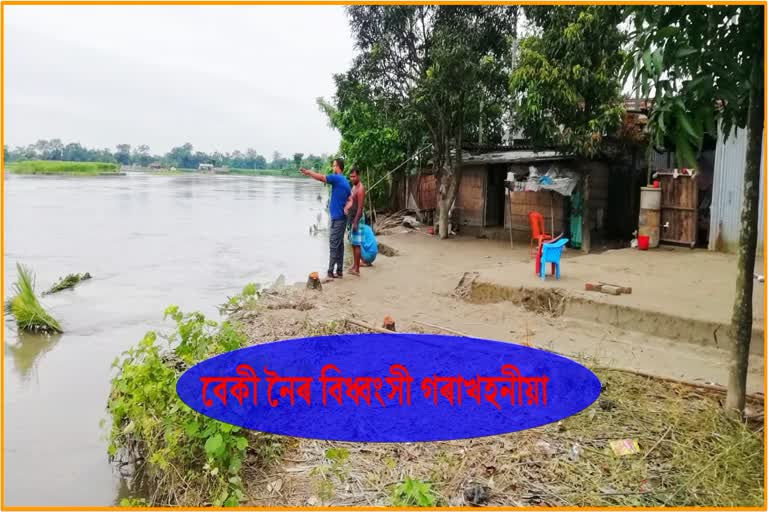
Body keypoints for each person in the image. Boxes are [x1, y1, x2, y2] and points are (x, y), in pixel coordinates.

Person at [300, 159, 350, 279]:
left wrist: (309, 173)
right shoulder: (345, 182)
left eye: (333, 166)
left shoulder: (337, 178)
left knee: (333, 244)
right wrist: (347, 206)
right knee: (339, 245)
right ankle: (339, 271)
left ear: (338, 167)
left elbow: (322, 178)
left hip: (338, 219)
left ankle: (330, 272)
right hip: (341, 218)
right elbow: (350, 198)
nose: (332, 168)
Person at [343, 166, 366, 276]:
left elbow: (360, 208)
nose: (352, 178)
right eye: (351, 177)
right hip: (351, 218)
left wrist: (355, 222)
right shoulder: (353, 187)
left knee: (357, 244)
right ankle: (354, 265)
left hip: (358, 218)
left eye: (354, 176)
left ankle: (357, 270)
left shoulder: (361, 189)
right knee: (353, 243)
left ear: (358, 176)